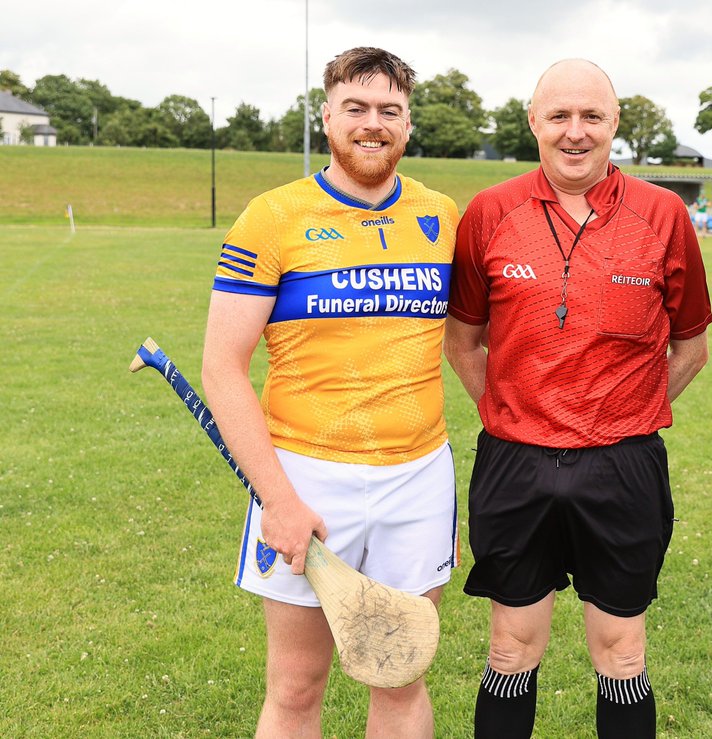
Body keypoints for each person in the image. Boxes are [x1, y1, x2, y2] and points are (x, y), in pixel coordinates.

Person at [443, 58, 712, 739]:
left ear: (615, 123)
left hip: (622, 465)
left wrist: (624, 412)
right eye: (559, 115)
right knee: (510, 648)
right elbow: (463, 342)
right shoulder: (488, 212)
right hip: (515, 462)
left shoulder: (664, 214)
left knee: (621, 652)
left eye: (592, 116)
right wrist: (512, 410)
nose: (575, 131)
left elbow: (691, 347)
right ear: (533, 121)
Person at [201, 47, 459, 738]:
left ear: (407, 124)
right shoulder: (273, 216)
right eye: (356, 108)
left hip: (417, 478)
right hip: (306, 477)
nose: (372, 124)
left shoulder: (442, 216)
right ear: (327, 116)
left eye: (389, 111)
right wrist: (279, 500)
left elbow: (472, 339)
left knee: (399, 672)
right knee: (294, 683)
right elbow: (223, 367)